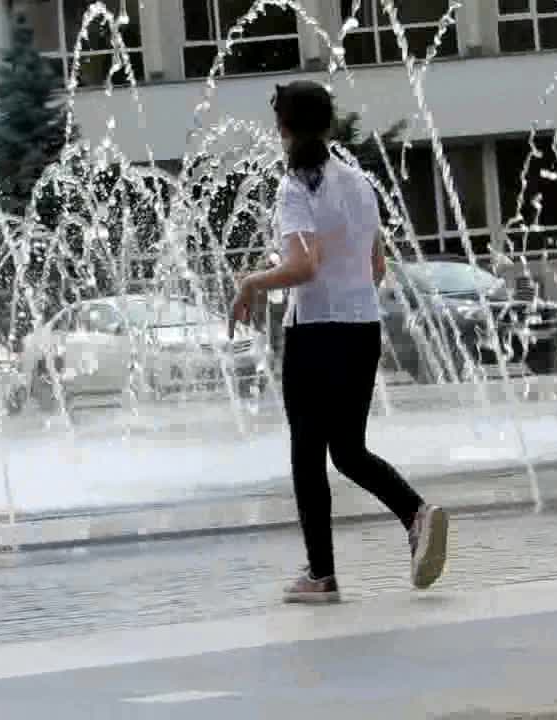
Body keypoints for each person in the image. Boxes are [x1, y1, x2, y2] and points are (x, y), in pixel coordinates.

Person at [230, 81, 448, 604]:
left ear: (284, 127)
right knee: (347, 449)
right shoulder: (359, 183)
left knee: (308, 454)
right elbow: (376, 267)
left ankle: (321, 576)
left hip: (314, 333)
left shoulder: (296, 188)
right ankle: (415, 514)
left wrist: (252, 282)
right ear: (327, 124)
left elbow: (305, 266)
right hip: (361, 328)